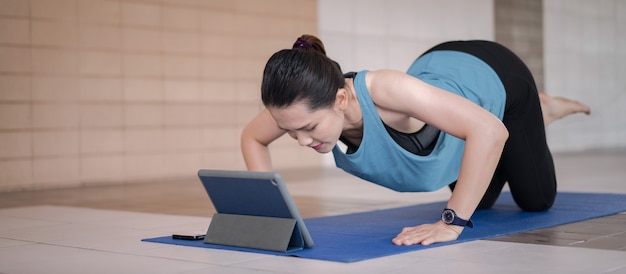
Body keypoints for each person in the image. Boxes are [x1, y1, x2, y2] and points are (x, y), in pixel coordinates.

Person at [240, 34, 591, 246]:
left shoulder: (389, 91)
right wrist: (272, 216)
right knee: (479, 203)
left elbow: (490, 131)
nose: (301, 140)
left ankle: (542, 109)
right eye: (290, 132)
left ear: (341, 100)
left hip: (496, 74)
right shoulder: (301, 104)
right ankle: (502, 137)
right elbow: (253, 138)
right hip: (444, 80)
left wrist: (450, 224)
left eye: (309, 128)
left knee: (536, 200)